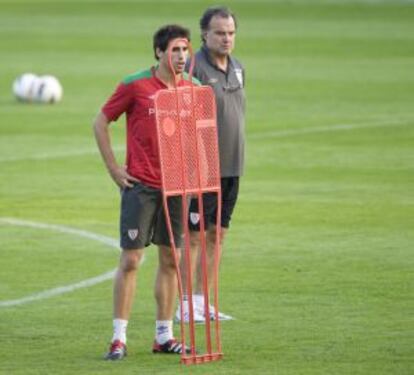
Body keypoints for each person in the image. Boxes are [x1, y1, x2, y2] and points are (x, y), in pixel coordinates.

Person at [93, 24, 196, 360]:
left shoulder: (193, 88)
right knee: (132, 259)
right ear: (158, 52)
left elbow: (197, 137)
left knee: (171, 259)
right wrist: (113, 169)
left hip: (178, 188)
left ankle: (163, 336)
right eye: (175, 50)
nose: (181, 57)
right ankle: (118, 338)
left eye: (185, 50)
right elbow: (101, 122)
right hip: (141, 186)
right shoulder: (134, 85)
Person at [176, 6, 246, 323]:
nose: (226, 38)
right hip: (200, 166)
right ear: (204, 34)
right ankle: (185, 305)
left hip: (232, 164)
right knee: (193, 236)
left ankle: (203, 303)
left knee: (217, 234)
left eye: (230, 32)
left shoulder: (239, 68)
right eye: (220, 32)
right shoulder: (194, 68)